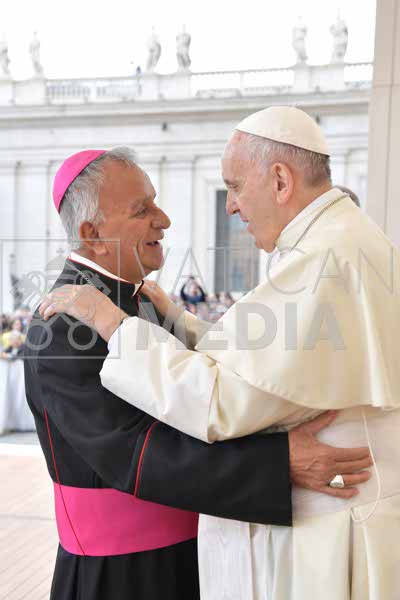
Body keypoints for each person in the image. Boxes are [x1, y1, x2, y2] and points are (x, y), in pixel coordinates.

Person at [39, 138, 374, 598]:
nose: (164, 219)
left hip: (185, 552)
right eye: (142, 209)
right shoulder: (66, 323)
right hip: (124, 573)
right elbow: (135, 451)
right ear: (93, 234)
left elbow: (213, 375)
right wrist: (277, 464)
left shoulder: (141, 298)